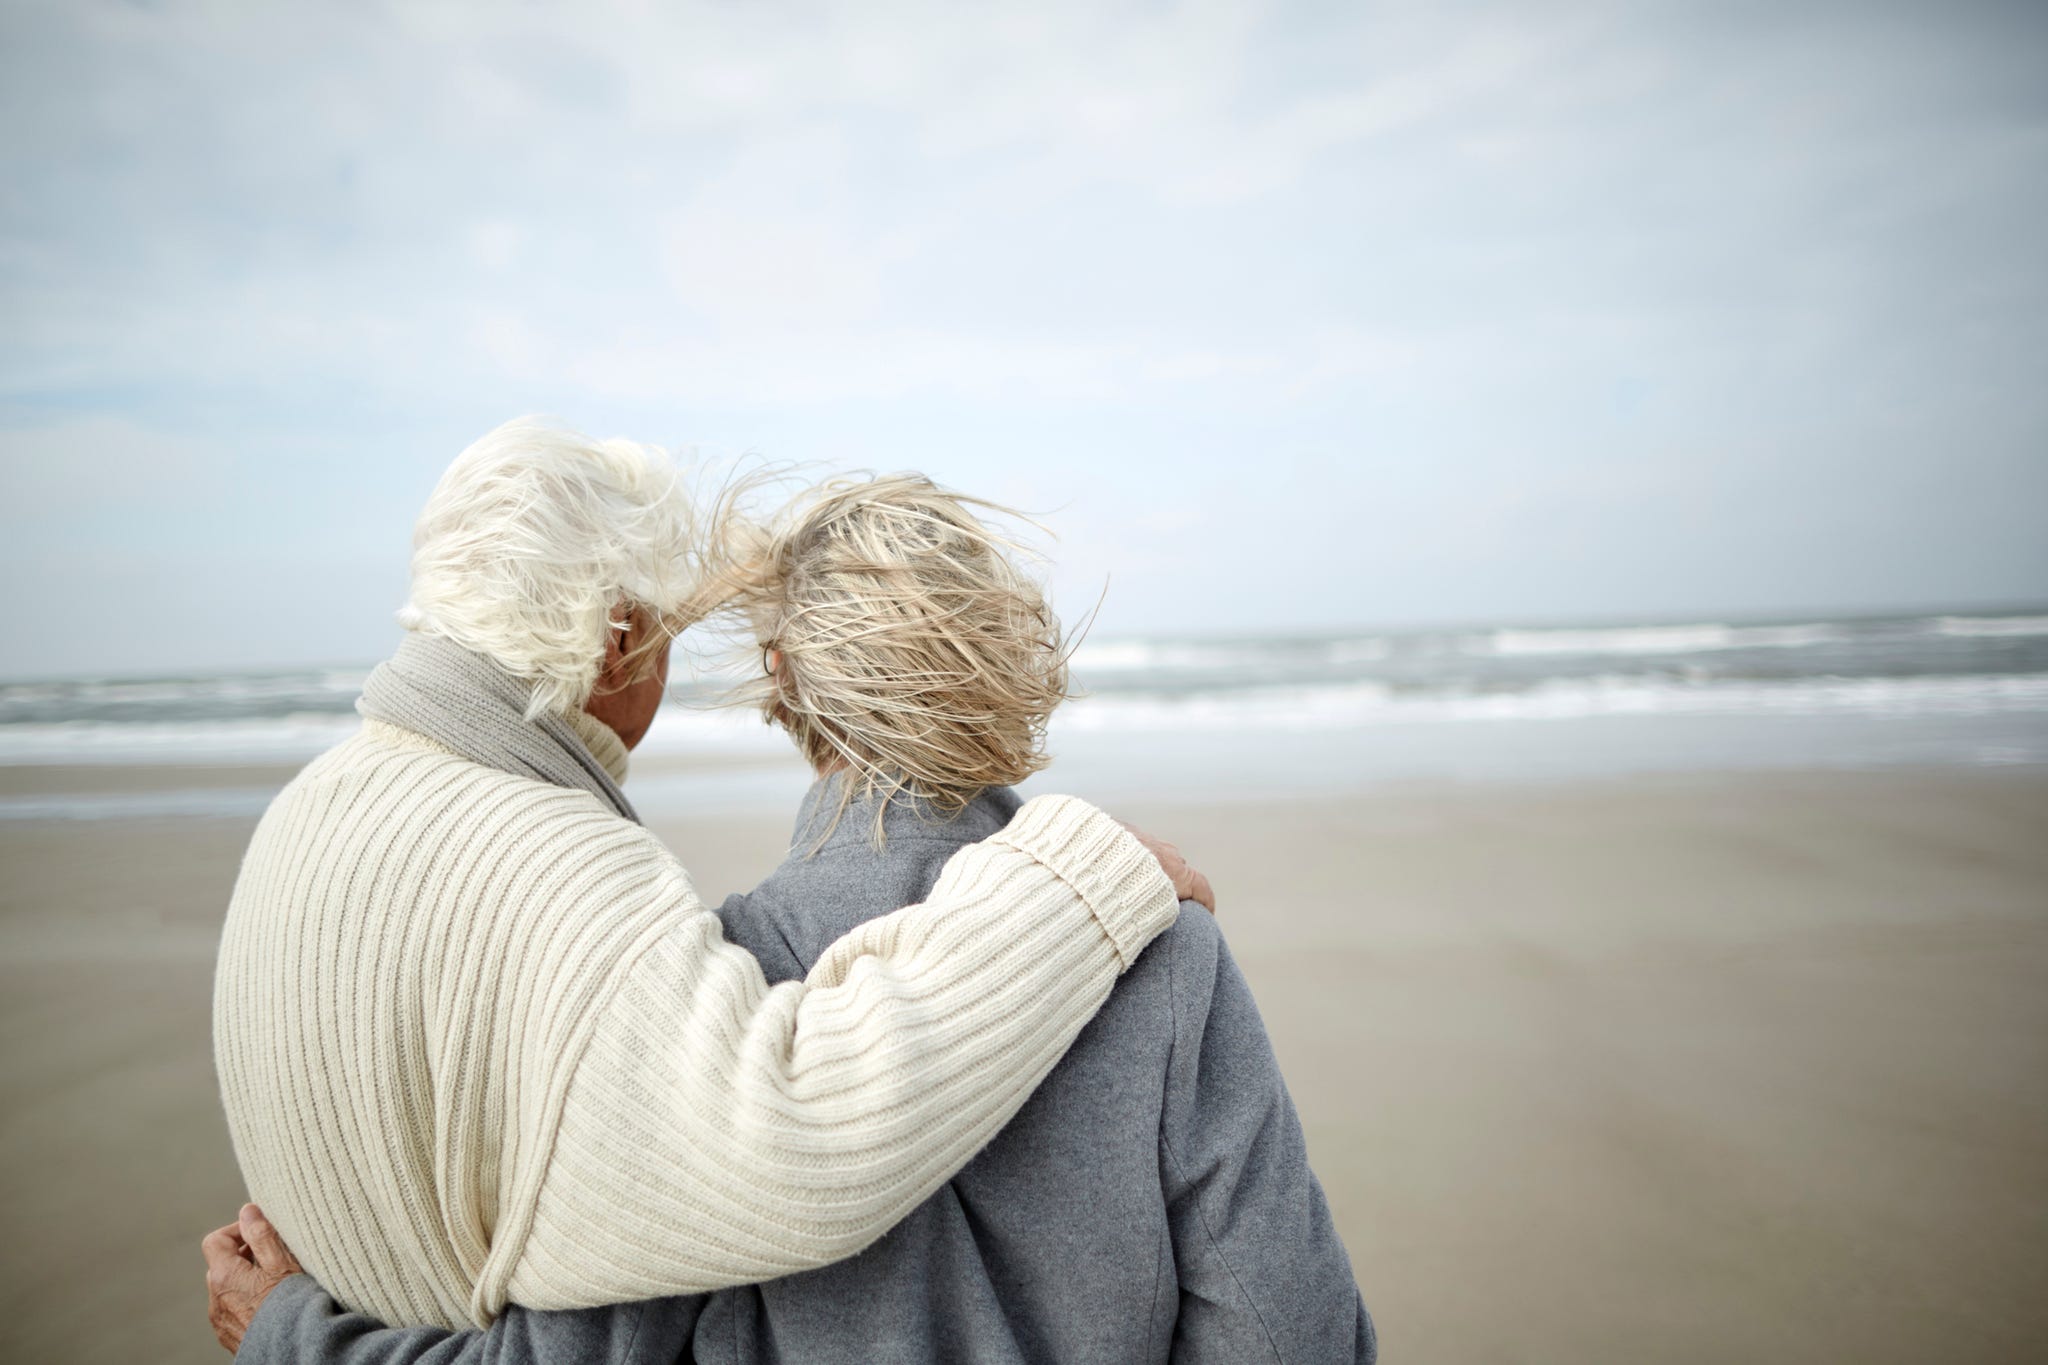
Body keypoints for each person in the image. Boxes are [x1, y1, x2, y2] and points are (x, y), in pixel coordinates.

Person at [206, 475, 1372, 1362]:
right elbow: (1289, 1335)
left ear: (781, 679)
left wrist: (292, 1329)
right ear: (1002, 656)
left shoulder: (701, 995)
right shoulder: (1165, 960)